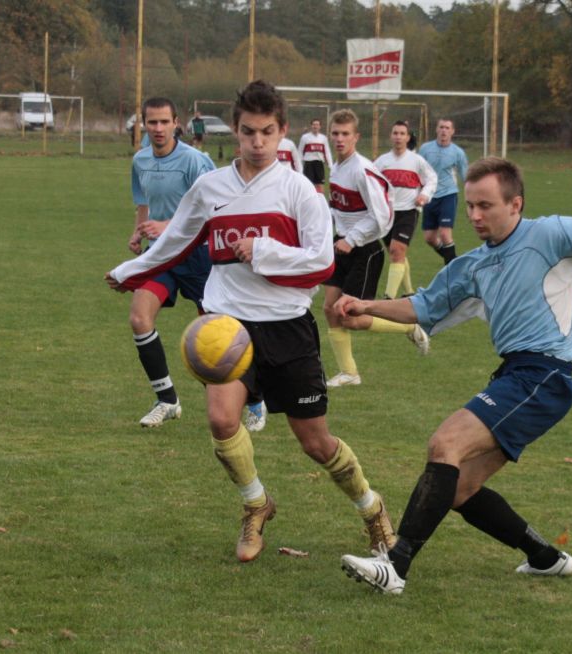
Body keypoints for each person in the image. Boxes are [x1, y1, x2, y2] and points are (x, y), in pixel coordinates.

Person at [107, 80, 397, 563]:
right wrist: (127, 272)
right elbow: (175, 241)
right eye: (248, 132)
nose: (257, 142)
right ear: (235, 132)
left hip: (287, 325)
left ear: (284, 132)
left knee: (316, 442)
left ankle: (371, 509)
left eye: (267, 132)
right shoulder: (211, 187)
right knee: (222, 420)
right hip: (227, 324)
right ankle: (256, 505)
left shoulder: (299, 191)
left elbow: (322, 263)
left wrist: (264, 250)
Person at [335, 158, 572, 595]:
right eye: (470, 207)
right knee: (459, 487)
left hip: (545, 374)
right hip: (516, 375)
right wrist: (366, 305)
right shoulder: (474, 263)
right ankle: (546, 557)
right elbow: (422, 306)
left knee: (445, 444)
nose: (475, 216)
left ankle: (395, 565)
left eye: (486, 206)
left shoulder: (550, 234)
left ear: (515, 204)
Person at [126, 97, 266, 430]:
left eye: (164, 122)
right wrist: (138, 232)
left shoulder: (195, 161)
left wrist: (168, 226)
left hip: (198, 255)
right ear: (143, 124)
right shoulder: (140, 160)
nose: (158, 129)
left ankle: (255, 399)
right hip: (161, 254)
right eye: (152, 122)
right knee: (139, 317)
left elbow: (213, 208)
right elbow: (143, 202)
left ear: (177, 123)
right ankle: (167, 399)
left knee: (217, 336)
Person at [322, 110, 430, 389]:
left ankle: (409, 326)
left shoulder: (363, 169)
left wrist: (353, 238)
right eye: (335, 133)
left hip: (364, 249)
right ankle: (349, 373)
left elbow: (382, 216)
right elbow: (339, 209)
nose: (339, 139)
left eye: (345, 134)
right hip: (342, 244)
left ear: (356, 136)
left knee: (349, 316)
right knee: (329, 309)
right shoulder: (336, 167)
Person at [373, 120, 438, 300]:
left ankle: (389, 298)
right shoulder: (382, 162)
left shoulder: (417, 161)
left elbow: (431, 178)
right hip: (387, 213)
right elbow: (371, 183)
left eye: (402, 133)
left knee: (397, 250)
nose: (398, 137)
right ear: (391, 136)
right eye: (395, 133)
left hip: (408, 211)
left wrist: (424, 195)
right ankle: (409, 291)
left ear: (408, 137)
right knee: (397, 254)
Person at [419, 118, 469, 264]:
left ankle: (451, 272)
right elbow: (417, 171)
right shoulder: (425, 149)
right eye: (441, 127)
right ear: (436, 129)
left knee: (445, 234)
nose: (444, 131)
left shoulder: (458, 153)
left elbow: (466, 178)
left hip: (448, 195)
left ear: (452, 132)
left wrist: (470, 201)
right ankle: (455, 261)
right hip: (429, 196)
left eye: (447, 128)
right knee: (429, 238)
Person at [298, 118, 333, 193]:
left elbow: (327, 152)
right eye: (314, 124)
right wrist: (299, 164)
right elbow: (300, 151)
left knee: (320, 184)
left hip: (319, 163)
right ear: (311, 126)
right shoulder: (305, 137)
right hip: (308, 163)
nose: (315, 126)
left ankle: (320, 202)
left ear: (320, 126)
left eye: (317, 125)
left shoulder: (323, 138)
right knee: (308, 184)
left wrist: (330, 165)